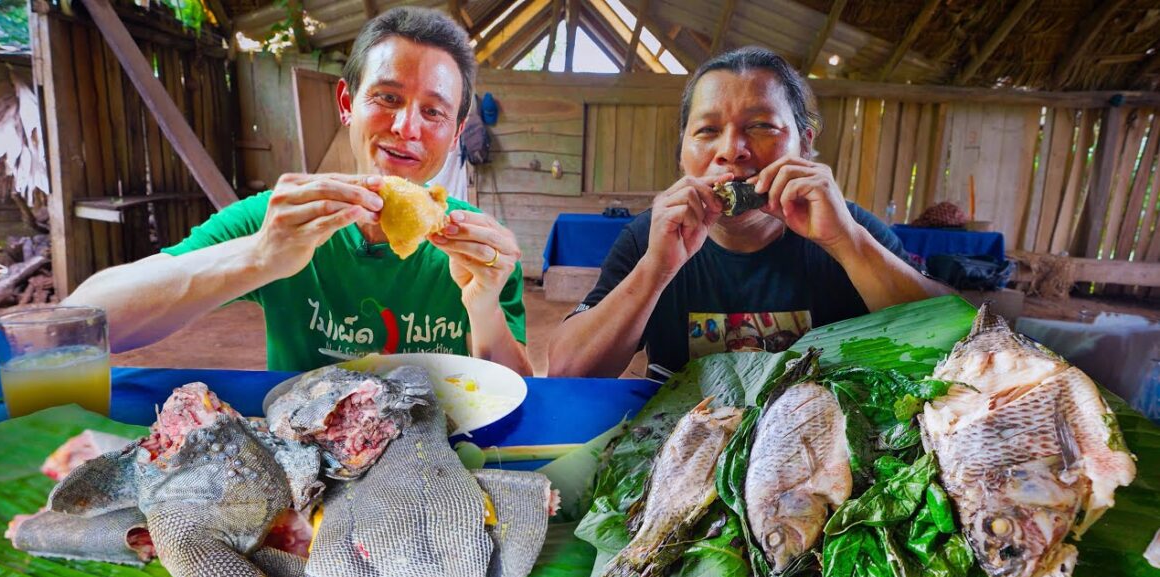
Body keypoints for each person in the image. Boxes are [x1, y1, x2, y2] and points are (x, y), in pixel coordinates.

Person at [65, 7, 531, 375]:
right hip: (308, 471)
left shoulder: (479, 248)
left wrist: (483, 304)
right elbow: (79, 326)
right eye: (387, 98)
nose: (406, 127)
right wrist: (259, 256)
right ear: (348, 104)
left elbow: (517, 394)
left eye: (433, 112)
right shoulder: (282, 220)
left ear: (455, 134)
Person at [547, 46, 953, 378]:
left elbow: (958, 341)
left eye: (761, 126)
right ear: (682, 154)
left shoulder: (850, 229)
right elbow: (568, 372)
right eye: (707, 131)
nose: (731, 150)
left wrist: (845, 243)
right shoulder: (648, 237)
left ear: (804, 144)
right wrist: (655, 270)